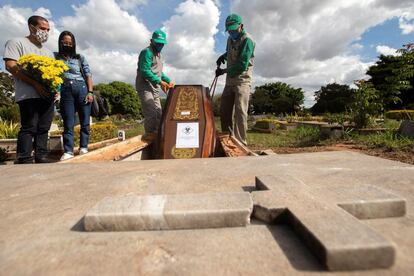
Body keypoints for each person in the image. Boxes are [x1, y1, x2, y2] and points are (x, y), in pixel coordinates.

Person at [3, 15, 55, 164]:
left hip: (47, 95)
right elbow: (11, 66)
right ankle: (24, 157)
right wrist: (34, 84)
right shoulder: (16, 43)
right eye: (42, 28)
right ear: (31, 27)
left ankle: (41, 155)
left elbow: (55, 74)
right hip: (28, 94)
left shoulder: (48, 52)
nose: (45, 32)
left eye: (48, 30)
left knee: (44, 127)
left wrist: (55, 90)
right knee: (29, 127)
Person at [216, 14, 255, 146]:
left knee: (240, 112)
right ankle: (228, 140)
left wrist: (223, 71)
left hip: (242, 81)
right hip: (230, 82)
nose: (232, 32)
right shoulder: (229, 39)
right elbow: (231, 52)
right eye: (229, 30)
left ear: (241, 26)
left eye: (234, 29)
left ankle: (240, 143)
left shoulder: (247, 40)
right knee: (224, 111)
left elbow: (242, 64)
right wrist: (223, 56)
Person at [54, 31, 93, 161]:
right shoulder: (55, 57)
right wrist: (56, 91)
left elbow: (88, 75)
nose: (67, 44)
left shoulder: (79, 58)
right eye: (65, 42)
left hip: (82, 89)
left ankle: (83, 147)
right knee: (68, 122)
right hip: (65, 90)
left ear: (73, 44)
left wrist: (90, 92)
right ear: (60, 43)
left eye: (70, 43)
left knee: (85, 121)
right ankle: (68, 150)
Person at [135, 29, 174, 135]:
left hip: (155, 87)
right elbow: (145, 70)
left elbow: (159, 72)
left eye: (162, 44)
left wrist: (168, 81)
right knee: (151, 113)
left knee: (159, 114)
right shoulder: (147, 52)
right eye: (158, 43)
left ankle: (157, 137)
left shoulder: (159, 55)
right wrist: (160, 82)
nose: (160, 46)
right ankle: (149, 138)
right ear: (151, 41)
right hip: (145, 86)